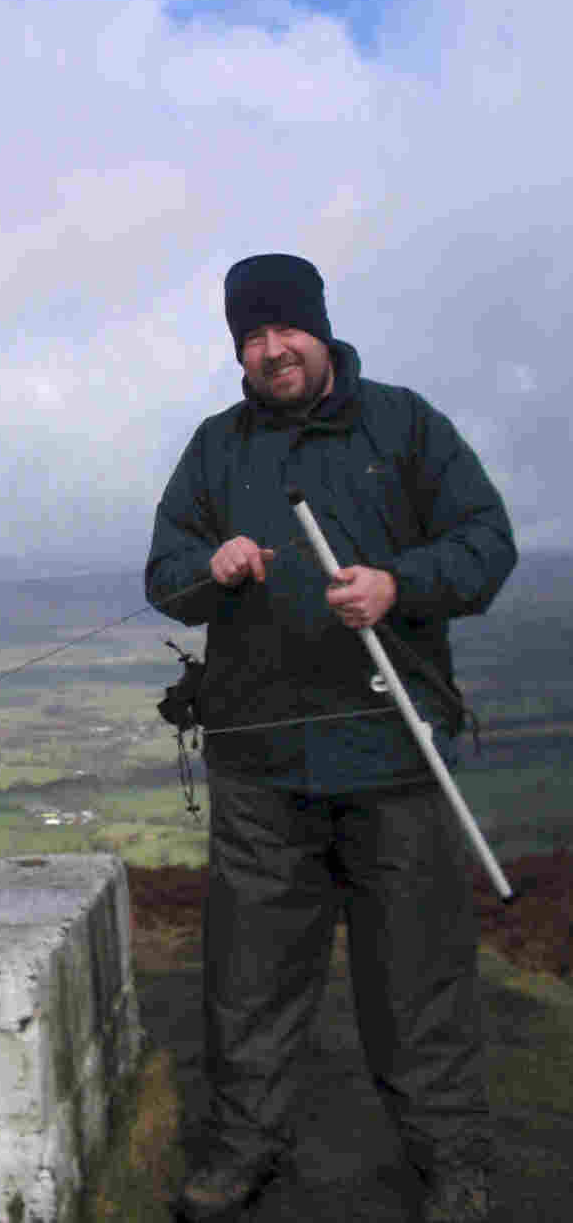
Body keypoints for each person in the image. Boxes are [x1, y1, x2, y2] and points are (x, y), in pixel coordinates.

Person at [145, 254, 517, 1223]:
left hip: (394, 759)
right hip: (259, 770)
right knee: (249, 980)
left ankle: (452, 1161)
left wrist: (397, 583)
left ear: (318, 327)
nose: (270, 351)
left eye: (284, 330)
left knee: (416, 979)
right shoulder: (214, 451)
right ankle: (240, 1152)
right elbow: (164, 570)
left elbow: (486, 540)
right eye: (250, 337)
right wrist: (210, 566)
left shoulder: (400, 425)